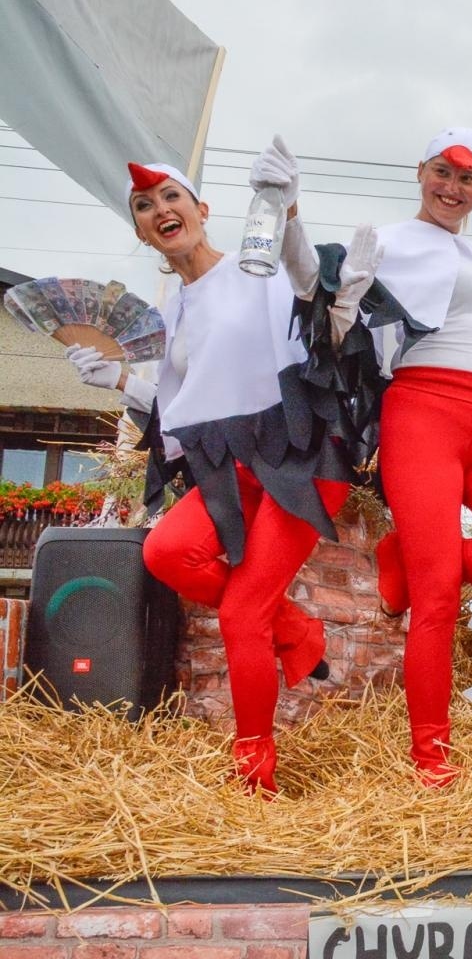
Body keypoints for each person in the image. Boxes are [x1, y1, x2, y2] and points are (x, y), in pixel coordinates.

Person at [267, 127, 472, 785]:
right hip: (426, 414)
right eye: (442, 171)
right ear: (420, 171)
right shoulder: (388, 243)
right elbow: (314, 298)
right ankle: (431, 758)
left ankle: (405, 553)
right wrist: (289, 212)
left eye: (467, 179)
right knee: (435, 598)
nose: (452, 187)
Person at [63, 151, 367, 795]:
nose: (160, 210)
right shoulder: (169, 317)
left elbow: (311, 287)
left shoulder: (258, 270)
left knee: (240, 618)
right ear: (142, 232)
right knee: (170, 553)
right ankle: (296, 625)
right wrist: (119, 379)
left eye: (171, 197)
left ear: (202, 211)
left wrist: (288, 212)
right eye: (145, 207)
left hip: (295, 458)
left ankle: (254, 775)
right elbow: (181, 409)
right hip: (228, 469)